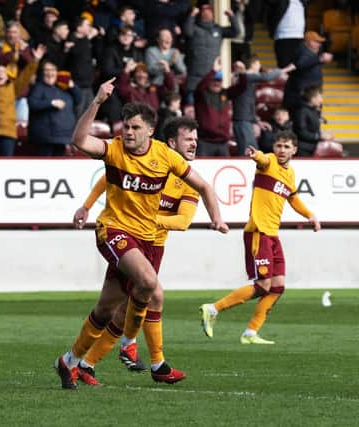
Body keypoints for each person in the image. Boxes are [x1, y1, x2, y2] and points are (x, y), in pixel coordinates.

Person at [54, 78, 229, 390]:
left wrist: (217, 218)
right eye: (126, 126)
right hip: (114, 231)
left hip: (147, 239)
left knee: (107, 309)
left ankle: (70, 360)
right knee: (149, 285)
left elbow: (203, 186)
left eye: (135, 127)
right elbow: (80, 139)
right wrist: (96, 102)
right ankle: (139, 351)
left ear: (150, 130)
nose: (128, 132)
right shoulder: (114, 150)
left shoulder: (166, 157)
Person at [71, 117, 202, 386]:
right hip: (127, 238)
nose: (194, 144)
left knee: (121, 308)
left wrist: (151, 220)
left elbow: (184, 220)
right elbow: (108, 180)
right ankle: (152, 360)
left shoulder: (186, 179)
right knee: (153, 295)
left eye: (196, 139)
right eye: (188, 139)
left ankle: (86, 363)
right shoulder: (144, 159)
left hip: (154, 244)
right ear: (171, 142)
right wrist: (86, 205)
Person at [200, 130, 320, 344]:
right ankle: (212, 309)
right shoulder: (269, 161)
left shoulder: (289, 173)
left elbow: (293, 198)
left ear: (294, 150)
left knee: (277, 286)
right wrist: (256, 155)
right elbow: (262, 160)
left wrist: (310, 215)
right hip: (258, 232)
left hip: (273, 235)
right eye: (279, 145)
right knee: (263, 285)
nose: (281, 150)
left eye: (286, 147)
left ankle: (251, 333)